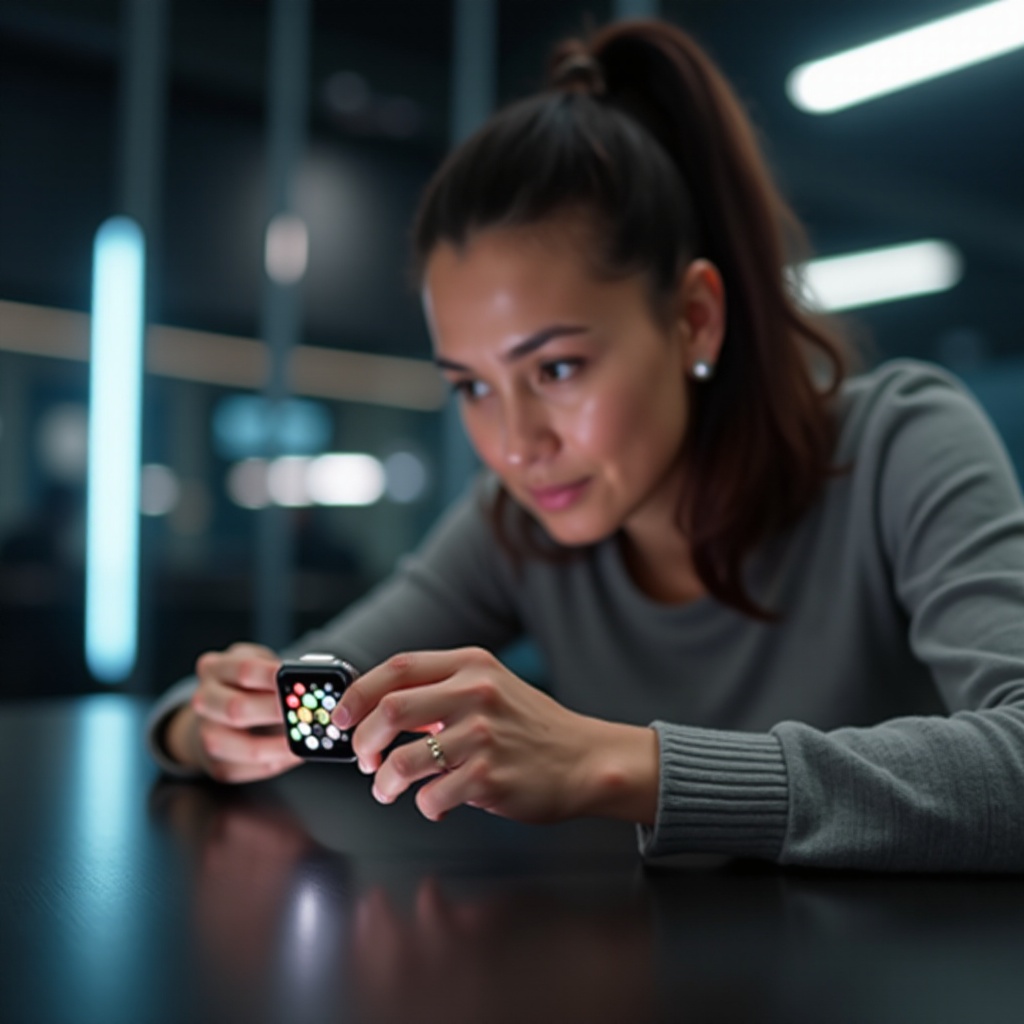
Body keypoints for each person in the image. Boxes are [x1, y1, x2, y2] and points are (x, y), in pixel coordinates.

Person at [147, 19, 1024, 872]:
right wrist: (213, 722)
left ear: (693, 321)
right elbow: (317, 677)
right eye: (472, 387)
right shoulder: (514, 522)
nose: (517, 444)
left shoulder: (899, 443)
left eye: (558, 368)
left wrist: (619, 765)